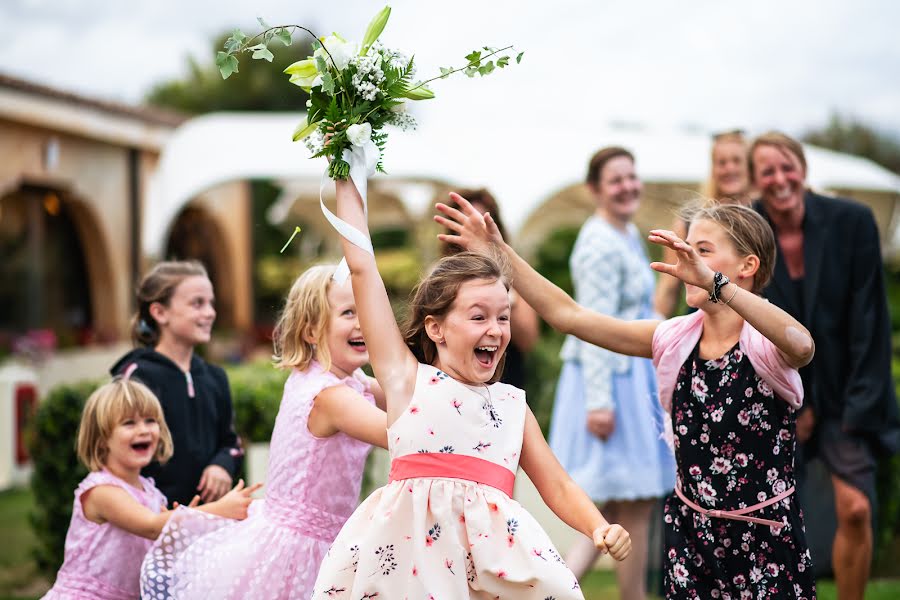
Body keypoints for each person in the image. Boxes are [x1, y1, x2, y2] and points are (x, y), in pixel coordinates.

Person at [436, 197, 817, 598]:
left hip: (764, 539)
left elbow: (803, 346)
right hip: (693, 541)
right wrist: (500, 252)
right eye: (686, 248)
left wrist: (716, 285)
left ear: (747, 266)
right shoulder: (673, 338)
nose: (688, 261)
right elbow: (569, 316)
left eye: (702, 251)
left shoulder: (766, 342)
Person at [311, 175, 631, 599]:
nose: (496, 330)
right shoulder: (408, 380)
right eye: (479, 317)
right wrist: (347, 174)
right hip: (407, 572)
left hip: (488, 572)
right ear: (436, 328)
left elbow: (558, 485)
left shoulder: (513, 405)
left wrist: (598, 525)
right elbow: (362, 267)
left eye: (503, 317)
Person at [139, 264, 388, 599]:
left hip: (317, 538)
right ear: (311, 331)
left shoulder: (336, 378)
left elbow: (405, 392)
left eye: (367, 311)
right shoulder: (332, 397)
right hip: (303, 553)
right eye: (348, 312)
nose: (363, 323)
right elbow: (403, 435)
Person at [750, 131, 900, 600]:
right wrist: (796, 404)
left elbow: (871, 321)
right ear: (756, 181)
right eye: (767, 171)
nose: (780, 179)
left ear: (803, 167)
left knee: (855, 508)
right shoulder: (747, 228)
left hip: (847, 393)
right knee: (768, 519)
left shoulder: (852, 222)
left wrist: (854, 409)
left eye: (786, 166)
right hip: (775, 393)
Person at [551, 147, 674, 598]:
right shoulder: (599, 242)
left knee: (630, 505)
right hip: (611, 382)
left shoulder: (625, 233)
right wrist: (599, 402)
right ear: (595, 189)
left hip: (633, 376)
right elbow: (592, 326)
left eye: (631, 176)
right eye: (615, 180)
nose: (627, 187)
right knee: (622, 504)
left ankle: (606, 593)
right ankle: (559, 590)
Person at [42, 378, 257, 600]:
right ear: (101, 439)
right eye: (129, 423)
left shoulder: (151, 494)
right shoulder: (102, 491)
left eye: (150, 420)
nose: (143, 430)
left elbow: (157, 544)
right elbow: (151, 526)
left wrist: (180, 526)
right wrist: (216, 510)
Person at [111, 260, 243, 507]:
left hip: (210, 524)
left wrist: (222, 465)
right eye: (197, 303)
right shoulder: (135, 376)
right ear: (160, 313)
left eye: (211, 303)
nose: (210, 312)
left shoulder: (215, 377)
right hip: (151, 525)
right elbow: (116, 453)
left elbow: (231, 443)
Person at [441, 188, 539, 389]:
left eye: (481, 224)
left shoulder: (515, 276)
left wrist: (501, 280)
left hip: (506, 380)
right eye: (465, 223)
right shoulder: (441, 277)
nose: (473, 232)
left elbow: (528, 339)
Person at [654, 130, 753, 318]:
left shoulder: (763, 218)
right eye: (722, 162)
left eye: (736, 161)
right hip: (703, 321)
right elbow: (668, 287)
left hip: (754, 324)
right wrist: (655, 332)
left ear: (749, 167)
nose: (729, 168)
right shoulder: (689, 221)